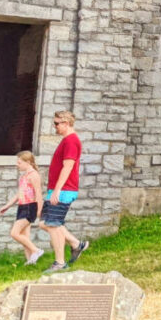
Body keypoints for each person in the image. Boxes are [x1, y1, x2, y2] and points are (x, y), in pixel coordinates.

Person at [40, 110, 89, 273]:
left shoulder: (71, 141)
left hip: (63, 190)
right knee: (44, 223)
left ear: (66, 123)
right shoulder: (66, 140)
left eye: (56, 123)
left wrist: (57, 191)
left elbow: (68, 167)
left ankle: (60, 263)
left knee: (53, 225)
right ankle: (76, 244)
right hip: (57, 189)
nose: (54, 126)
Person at [0, 151, 44, 265]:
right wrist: (7, 206)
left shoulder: (34, 175)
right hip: (22, 207)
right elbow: (19, 194)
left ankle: (36, 250)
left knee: (14, 233)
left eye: (19, 162)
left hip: (30, 207)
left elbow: (39, 193)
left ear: (28, 162)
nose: (17, 165)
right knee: (24, 236)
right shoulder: (24, 176)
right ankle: (30, 261)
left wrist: (39, 209)